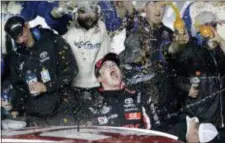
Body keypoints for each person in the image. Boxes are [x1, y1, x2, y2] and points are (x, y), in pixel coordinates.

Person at [3, 16, 77, 126]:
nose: (21, 39)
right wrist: (15, 108)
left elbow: (71, 70)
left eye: (21, 33)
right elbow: (19, 87)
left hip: (62, 110)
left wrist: (47, 86)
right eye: (16, 37)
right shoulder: (16, 57)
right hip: (35, 116)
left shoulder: (53, 41)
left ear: (27, 25)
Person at [162, 21, 225, 129]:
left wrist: (220, 41)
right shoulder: (185, 50)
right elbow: (172, 75)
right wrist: (187, 88)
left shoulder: (213, 48)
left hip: (220, 114)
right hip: (200, 115)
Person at [119, 1, 179, 116]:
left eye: (161, 5)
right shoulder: (135, 25)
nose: (158, 10)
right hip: (137, 95)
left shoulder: (170, 34)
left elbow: (173, 54)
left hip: (163, 97)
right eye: (153, 4)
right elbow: (129, 9)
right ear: (144, 8)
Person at [80, 53, 161, 129]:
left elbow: (158, 130)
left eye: (114, 64)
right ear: (99, 78)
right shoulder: (91, 101)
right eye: (105, 65)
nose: (112, 66)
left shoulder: (140, 97)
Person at [62, 2, 111, 102]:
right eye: (83, 11)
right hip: (74, 86)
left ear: (98, 11)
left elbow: (113, 9)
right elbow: (52, 17)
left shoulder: (105, 26)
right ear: (77, 13)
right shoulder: (67, 28)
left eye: (92, 10)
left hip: (100, 85)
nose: (88, 16)